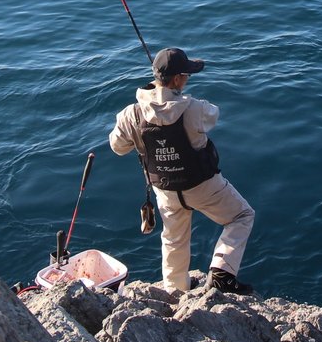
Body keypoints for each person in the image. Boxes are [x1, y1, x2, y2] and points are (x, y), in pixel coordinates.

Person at [109, 47, 255, 294]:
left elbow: (118, 147)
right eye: (186, 75)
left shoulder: (130, 114)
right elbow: (213, 114)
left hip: (165, 188)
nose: (188, 79)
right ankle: (221, 271)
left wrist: (151, 101)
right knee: (242, 216)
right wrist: (174, 99)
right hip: (201, 185)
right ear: (176, 79)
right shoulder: (194, 108)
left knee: (173, 239)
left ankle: (175, 291)